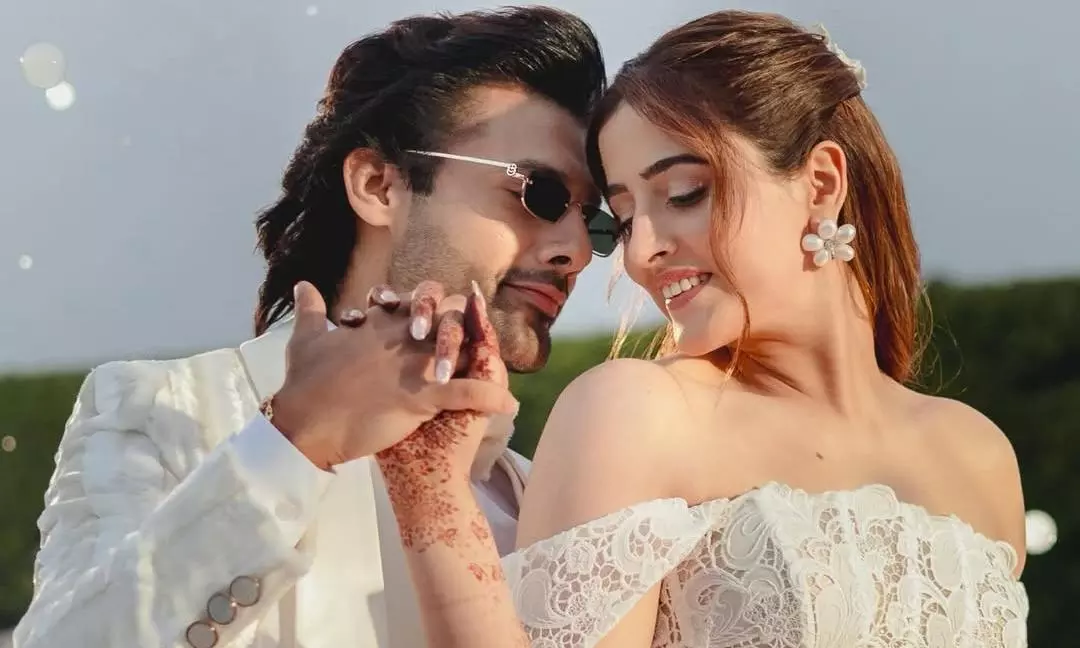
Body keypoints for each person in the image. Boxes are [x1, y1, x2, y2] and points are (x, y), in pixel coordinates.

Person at [368, 10, 1031, 648]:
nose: (640, 252)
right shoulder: (635, 412)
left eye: (684, 194)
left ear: (822, 183)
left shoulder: (978, 455)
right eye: (624, 220)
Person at [13, 6, 612, 648]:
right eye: (540, 194)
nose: (576, 250)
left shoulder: (530, 492)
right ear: (379, 185)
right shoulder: (167, 409)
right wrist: (293, 446)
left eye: (595, 221)